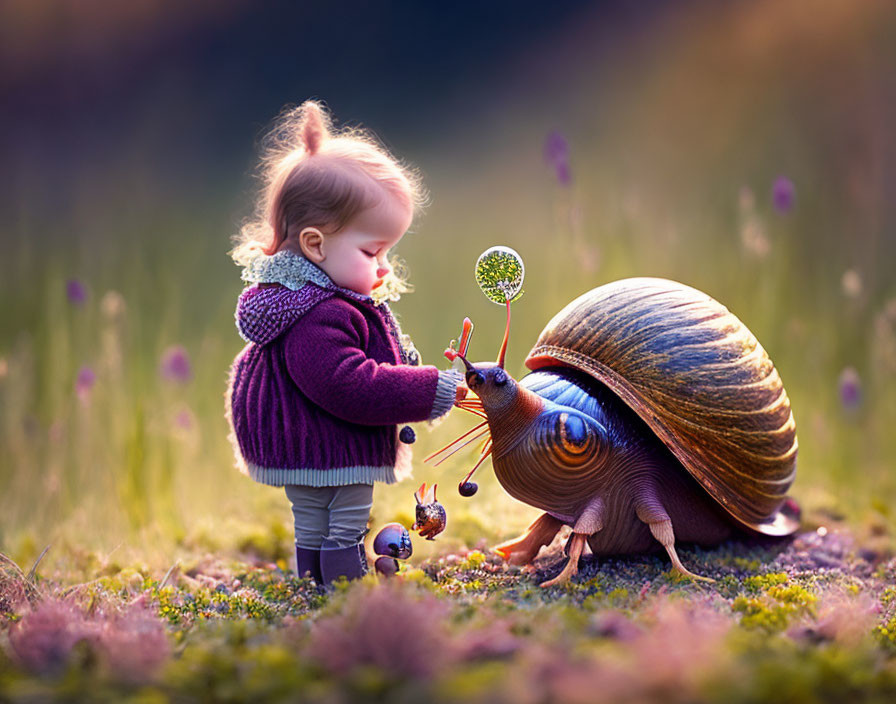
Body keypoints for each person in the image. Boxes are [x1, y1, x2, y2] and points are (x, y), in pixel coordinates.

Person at [225, 100, 464, 585]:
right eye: (372, 251)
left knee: (312, 516)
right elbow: (350, 384)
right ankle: (343, 587)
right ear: (315, 245)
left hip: (302, 446)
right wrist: (431, 388)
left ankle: (313, 581)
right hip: (333, 444)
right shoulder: (320, 315)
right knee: (347, 516)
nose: (383, 267)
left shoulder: (297, 301)